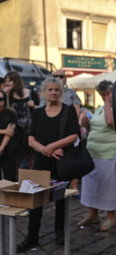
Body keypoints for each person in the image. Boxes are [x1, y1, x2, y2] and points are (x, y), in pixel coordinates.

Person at [17, 77, 79, 253]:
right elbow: (30, 139)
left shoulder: (68, 111)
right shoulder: (37, 113)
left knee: (60, 199)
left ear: (61, 92)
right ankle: (32, 236)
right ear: (44, 92)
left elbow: (74, 136)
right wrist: (47, 149)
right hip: (41, 161)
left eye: (56, 90)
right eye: (50, 90)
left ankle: (59, 231)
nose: (53, 93)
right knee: (35, 199)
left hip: (61, 162)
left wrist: (53, 147)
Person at [77, 80, 116, 231]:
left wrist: (109, 104)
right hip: (92, 152)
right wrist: (86, 123)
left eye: (107, 94)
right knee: (91, 183)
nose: (104, 97)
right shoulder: (100, 108)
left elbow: (110, 123)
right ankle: (93, 214)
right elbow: (93, 130)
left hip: (108, 152)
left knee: (108, 184)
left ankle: (111, 217)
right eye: (102, 95)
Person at [40, 69, 82, 198]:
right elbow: (43, 113)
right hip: (50, 134)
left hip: (68, 129)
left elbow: (76, 111)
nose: (58, 78)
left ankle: (74, 188)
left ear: (65, 78)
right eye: (55, 76)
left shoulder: (71, 93)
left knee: (70, 162)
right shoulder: (46, 94)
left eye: (61, 76)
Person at [3, 71, 40, 171]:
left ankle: (34, 184)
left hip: (30, 131)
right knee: (17, 161)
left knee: (32, 160)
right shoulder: (8, 95)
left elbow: (41, 109)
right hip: (16, 133)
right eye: (5, 81)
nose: (7, 83)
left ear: (16, 81)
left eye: (9, 80)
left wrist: (34, 106)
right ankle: (18, 184)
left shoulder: (30, 93)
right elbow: (5, 110)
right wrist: (6, 95)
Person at [0, 90, 17, 181]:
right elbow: (7, 131)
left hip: (8, 149)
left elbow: (10, 132)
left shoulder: (11, 113)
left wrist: (1, 148)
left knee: (10, 178)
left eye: (1, 99)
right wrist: (4, 131)